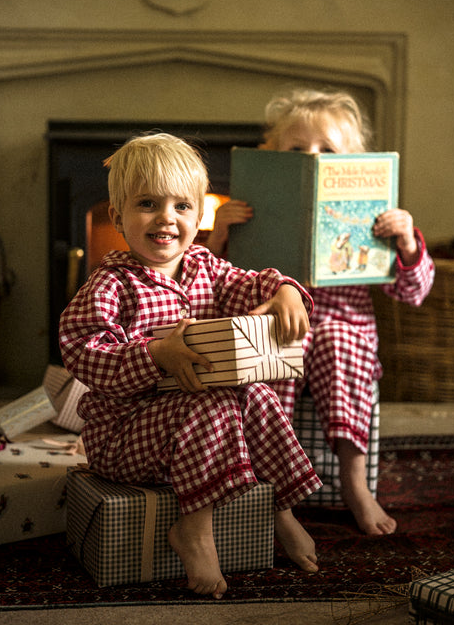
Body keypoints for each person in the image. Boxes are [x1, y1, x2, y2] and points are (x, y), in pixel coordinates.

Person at [59, 132, 322, 600]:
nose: (166, 217)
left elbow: (252, 283)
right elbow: (83, 350)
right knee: (213, 398)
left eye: (182, 206)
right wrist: (154, 355)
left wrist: (282, 289)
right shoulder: (111, 282)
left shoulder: (206, 267)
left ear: (200, 216)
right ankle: (194, 530)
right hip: (124, 435)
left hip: (195, 431)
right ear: (118, 217)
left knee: (256, 392)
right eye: (147, 204)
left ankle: (277, 508)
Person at [207, 88, 435, 537]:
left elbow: (414, 292)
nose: (312, 157)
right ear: (271, 157)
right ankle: (272, 484)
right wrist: (218, 236)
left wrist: (406, 242)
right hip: (281, 323)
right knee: (281, 334)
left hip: (343, 334)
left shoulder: (377, 220)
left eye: (327, 150)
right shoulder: (251, 210)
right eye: (296, 149)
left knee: (336, 337)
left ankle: (354, 482)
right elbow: (212, 288)